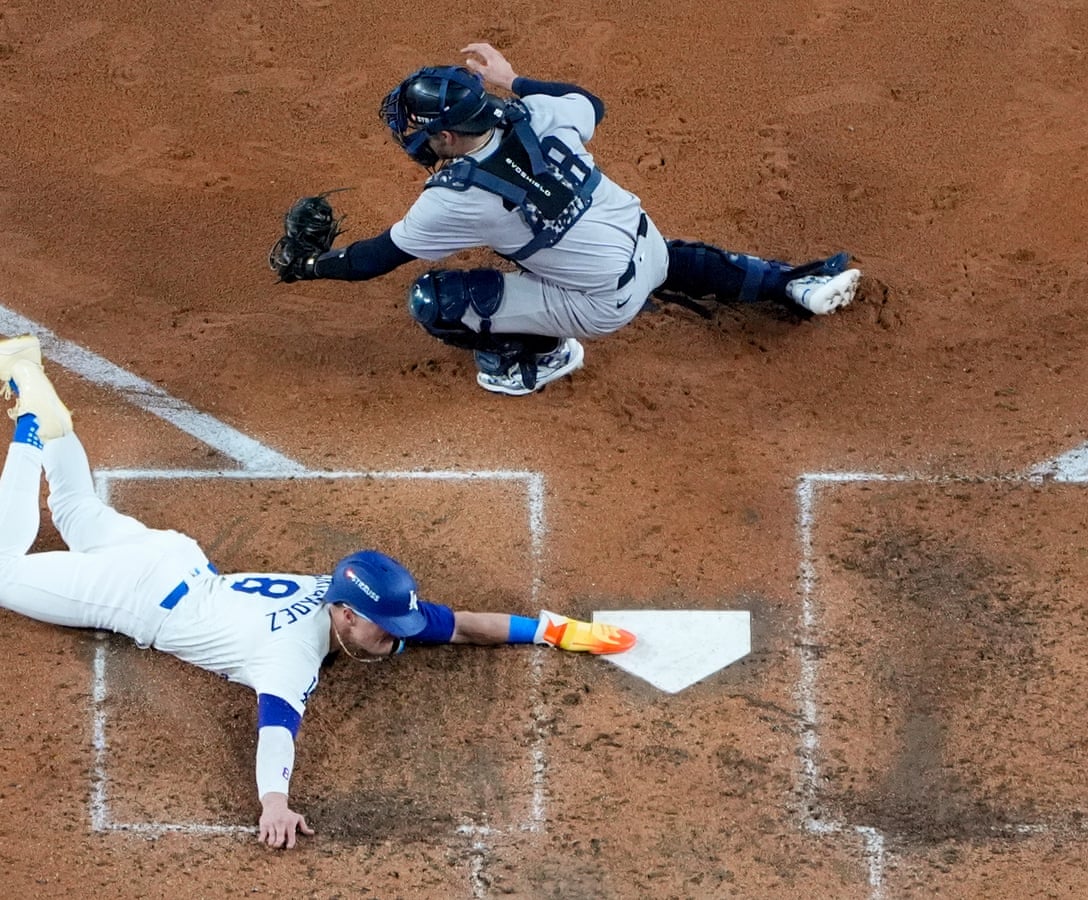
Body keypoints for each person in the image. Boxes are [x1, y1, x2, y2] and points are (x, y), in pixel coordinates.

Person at [0, 334, 635, 849]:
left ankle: (36, 393)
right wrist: (274, 804)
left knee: (81, 513)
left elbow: (463, 625)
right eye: (382, 629)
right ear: (343, 614)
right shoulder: (294, 654)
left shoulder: (359, 600)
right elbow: (276, 730)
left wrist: (558, 631)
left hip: (170, 561)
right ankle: (33, 428)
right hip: (136, 589)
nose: (393, 639)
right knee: (8, 569)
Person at [270, 41, 862, 396]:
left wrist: (310, 267)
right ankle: (793, 284)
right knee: (665, 259)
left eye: (420, 127)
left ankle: (539, 360)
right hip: (644, 242)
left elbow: (377, 258)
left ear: (446, 134)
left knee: (436, 301)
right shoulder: (536, 115)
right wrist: (513, 81)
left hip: (601, 304)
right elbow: (590, 102)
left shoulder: (453, 200)